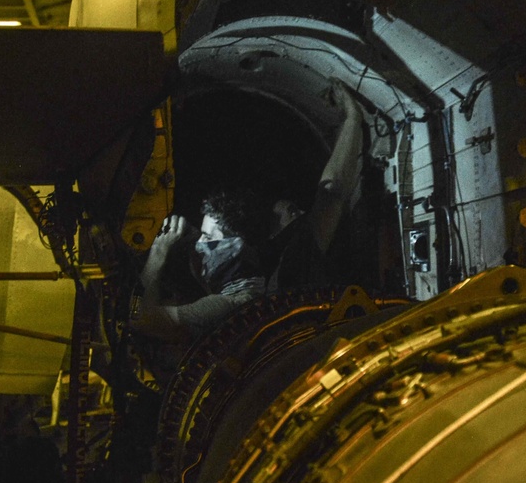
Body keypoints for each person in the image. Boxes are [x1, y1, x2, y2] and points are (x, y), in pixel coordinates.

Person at [131, 187, 266, 344]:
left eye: (208, 236)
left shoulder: (226, 306)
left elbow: (136, 317)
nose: (199, 244)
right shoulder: (255, 291)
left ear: (236, 247)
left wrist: (158, 253)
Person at [267, 82, 364, 292]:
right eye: (291, 211)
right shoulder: (296, 254)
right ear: (272, 231)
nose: (301, 212)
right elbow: (331, 192)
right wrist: (353, 116)